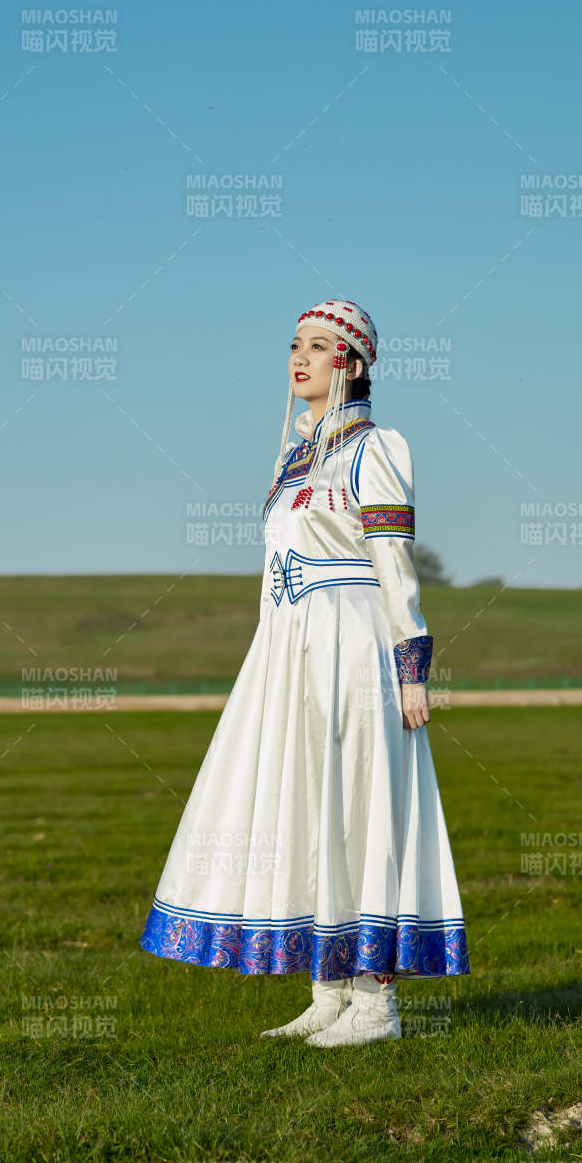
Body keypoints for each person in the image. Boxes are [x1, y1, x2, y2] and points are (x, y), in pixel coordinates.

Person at [140, 298, 468, 1046]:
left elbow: (392, 561)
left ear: (351, 362)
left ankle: (376, 1006)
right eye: (295, 344)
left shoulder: (376, 448)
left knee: (360, 805)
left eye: (318, 346)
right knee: (305, 804)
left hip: (352, 644)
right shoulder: (292, 461)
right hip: (289, 648)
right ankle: (328, 991)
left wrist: (411, 663)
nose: (300, 358)